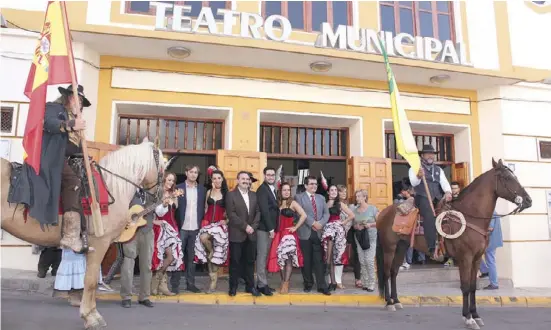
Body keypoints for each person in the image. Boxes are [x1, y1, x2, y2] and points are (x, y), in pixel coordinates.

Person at [10, 85, 91, 254]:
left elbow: (73, 147)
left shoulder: (78, 120)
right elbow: (48, 123)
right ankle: (70, 235)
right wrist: (70, 124)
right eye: (78, 98)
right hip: (50, 158)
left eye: (82, 101)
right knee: (73, 182)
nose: (80, 103)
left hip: (65, 160)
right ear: (68, 97)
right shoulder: (54, 108)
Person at [408, 144, 452, 261]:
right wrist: (418, 176)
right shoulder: (415, 168)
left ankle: (451, 245)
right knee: (429, 216)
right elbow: (414, 183)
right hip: (422, 197)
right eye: (428, 154)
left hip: (437, 197)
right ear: (422, 156)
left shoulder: (438, 170)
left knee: (451, 212)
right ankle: (432, 249)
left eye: (432, 154)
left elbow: (444, 183)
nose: (430, 156)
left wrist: (448, 192)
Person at [225, 171, 261, 297]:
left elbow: (258, 212)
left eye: (247, 179)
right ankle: (233, 287)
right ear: (238, 180)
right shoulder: (231, 195)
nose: (245, 181)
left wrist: (253, 227)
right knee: (235, 262)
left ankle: (250, 286)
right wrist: (246, 226)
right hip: (237, 233)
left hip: (251, 234)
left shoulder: (254, 195)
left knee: (250, 262)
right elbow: (231, 214)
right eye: (243, 179)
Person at [267, 182, 307, 294]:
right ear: (280, 191)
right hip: (278, 234)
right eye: (284, 190)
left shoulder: (293, 203)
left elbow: (304, 215)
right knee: (280, 260)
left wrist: (295, 227)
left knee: (288, 259)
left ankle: (286, 283)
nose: (286, 192)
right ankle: (283, 280)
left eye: (288, 190)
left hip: (289, 234)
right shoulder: (277, 203)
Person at [294, 176, 331, 296]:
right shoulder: (298, 197)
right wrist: (313, 223)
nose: (314, 186)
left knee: (319, 261)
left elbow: (326, 213)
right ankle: (308, 284)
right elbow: (300, 214)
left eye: (315, 184)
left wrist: (320, 223)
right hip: (305, 232)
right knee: (307, 260)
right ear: (305, 186)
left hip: (319, 232)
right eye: (311, 184)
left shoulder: (321, 198)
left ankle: (322, 285)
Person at [194, 168, 229, 293]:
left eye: (219, 178)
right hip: (209, 223)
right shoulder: (209, 192)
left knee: (214, 257)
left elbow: (231, 210)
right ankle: (211, 250)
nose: (217, 180)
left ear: (222, 179)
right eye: (214, 178)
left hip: (220, 225)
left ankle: (213, 283)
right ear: (211, 180)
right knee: (204, 240)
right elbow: (205, 207)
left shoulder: (227, 194)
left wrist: (226, 220)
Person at [173, 165, 206, 294]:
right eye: (191, 172)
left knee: (192, 258)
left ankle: (190, 284)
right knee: (178, 257)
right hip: (181, 227)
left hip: (195, 228)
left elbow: (203, 208)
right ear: (186, 173)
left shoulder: (202, 189)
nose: (193, 174)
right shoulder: (178, 188)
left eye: (196, 172)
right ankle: (175, 285)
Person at [120, 189, 155, 308]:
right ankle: (126, 297)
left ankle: (144, 297)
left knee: (147, 265)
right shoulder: (127, 190)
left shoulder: (152, 192)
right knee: (127, 264)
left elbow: (159, 212)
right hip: (130, 232)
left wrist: (165, 204)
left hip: (147, 231)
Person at [151, 172, 183, 296]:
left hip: (171, 227)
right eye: (168, 180)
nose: (170, 183)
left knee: (171, 257)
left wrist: (173, 198)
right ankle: (158, 286)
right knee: (160, 257)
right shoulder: (156, 193)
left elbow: (175, 210)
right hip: (158, 226)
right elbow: (156, 212)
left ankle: (158, 284)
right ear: (163, 179)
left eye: (172, 181)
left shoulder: (174, 194)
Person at [322, 185, 354, 291]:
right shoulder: (324, 204)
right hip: (327, 229)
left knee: (338, 255)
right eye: (332, 190)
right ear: (328, 192)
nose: (334, 191)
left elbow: (351, 215)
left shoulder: (340, 204)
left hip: (338, 230)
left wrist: (342, 223)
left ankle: (337, 280)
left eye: (335, 190)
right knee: (329, 255)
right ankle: (332, 280)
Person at [255, 166, 279, 296]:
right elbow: (264, 210)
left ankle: (263, 283)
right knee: (262, 257)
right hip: (264, 229)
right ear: (264, 176)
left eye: (272, 175)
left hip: (270, 228)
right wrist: (271, 228)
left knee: (265, 257)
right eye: (268, 175)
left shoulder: (272, 189)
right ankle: (261, 285)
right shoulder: (262, 189)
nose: (271, 177)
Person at [352, 189, 378, 291]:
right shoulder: (354, 210)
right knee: (362, 261)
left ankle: (372, 282)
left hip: (370, 237)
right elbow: (353, 225)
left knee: (369, 260)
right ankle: (365, 282)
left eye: (359, 196)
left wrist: (370, 225)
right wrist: (356, 226)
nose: (357, 198)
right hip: (359, 238)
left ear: (364, 197)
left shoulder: (372, 209)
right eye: (356, 196)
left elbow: (379, 222)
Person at [480, 212, 503, 290]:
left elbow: (490, 228)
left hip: (490, 241)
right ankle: (485, 271)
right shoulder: (492, 211)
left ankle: (494, 284)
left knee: (490, 261)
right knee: (477, 256)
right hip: (490, 241)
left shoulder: (491, 212)